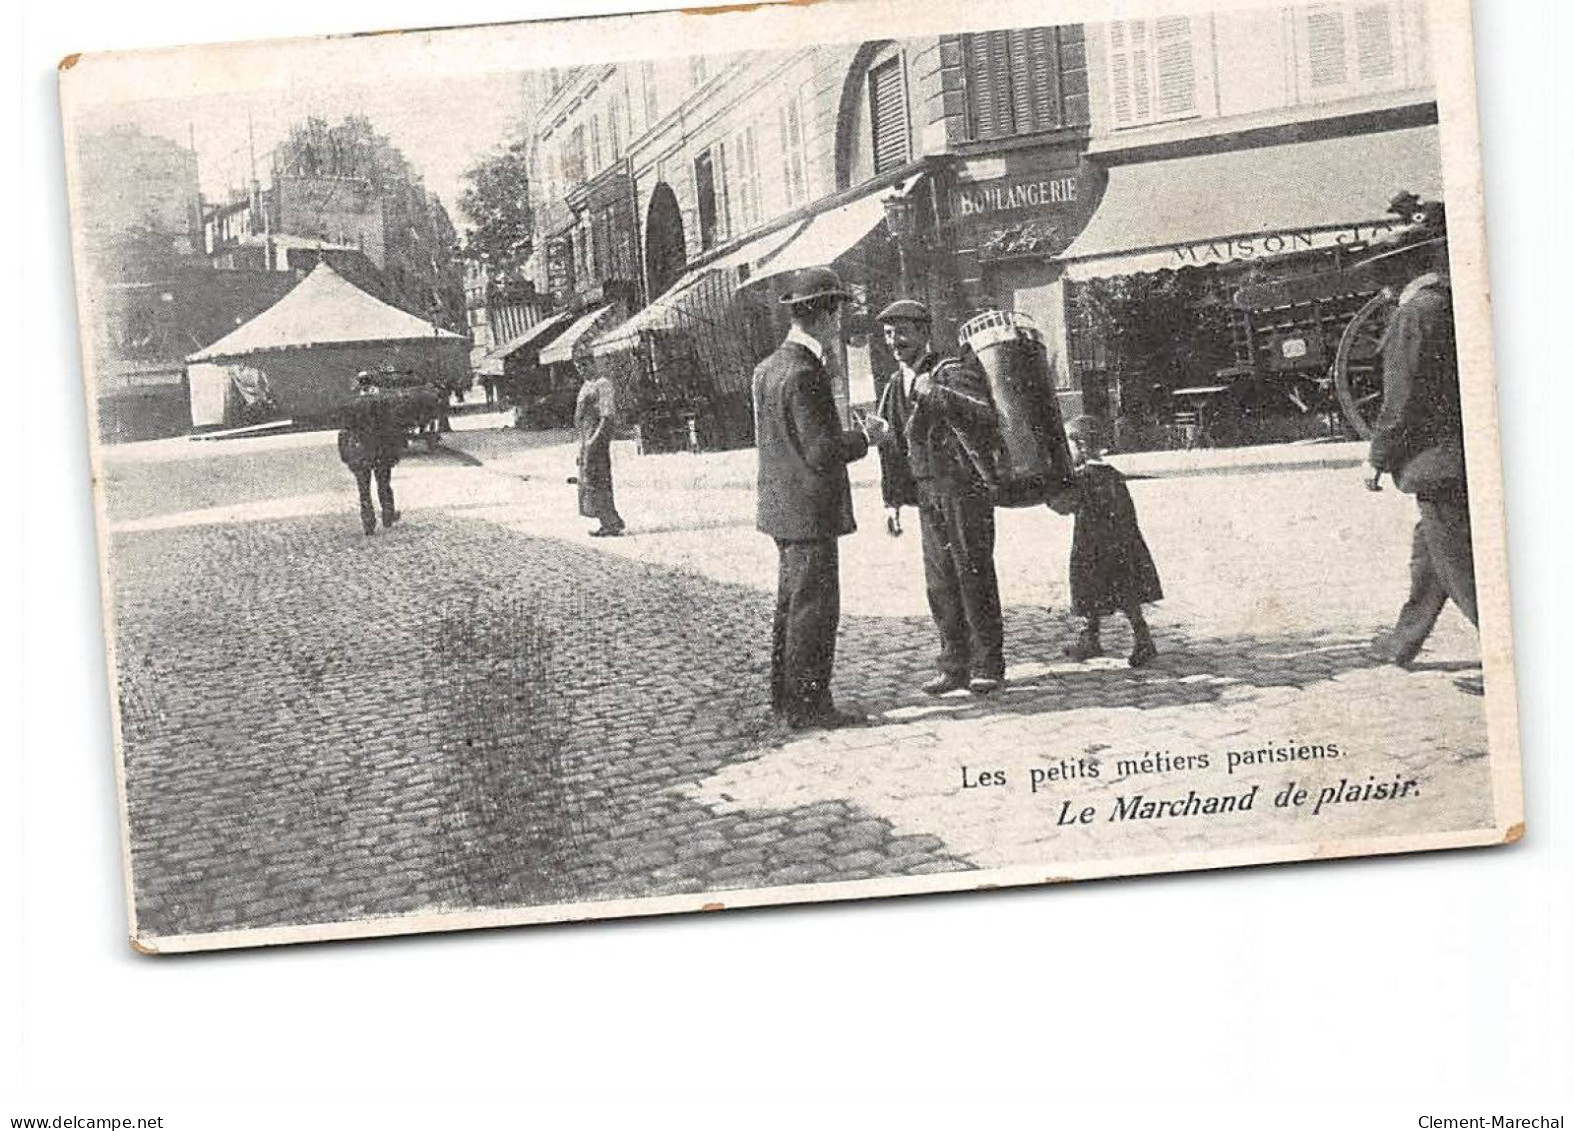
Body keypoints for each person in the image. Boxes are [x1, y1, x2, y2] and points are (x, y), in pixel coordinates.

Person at [753, 266, 889, 730]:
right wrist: (866, 438)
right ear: (827, 316)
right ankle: (811, 706)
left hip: (780, 506)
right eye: (837, 312)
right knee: (814, 609)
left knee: (791, 604)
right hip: (810, 510)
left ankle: (785, 698)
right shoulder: (806, 373)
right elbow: (820, 451)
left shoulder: (768, 368)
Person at [1363, 199, 1476, 665]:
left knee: (1466, 574)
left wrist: (1376, 458)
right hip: (1457, 456)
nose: (1380, 283)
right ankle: (1403, 642)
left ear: (1400, 270)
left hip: (1437, 463)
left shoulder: (1415, 314)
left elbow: (1402, 399)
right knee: (1430, 556)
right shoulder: (1447, 303)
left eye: (1383, 272)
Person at [873, 299, 1006, 695]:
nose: (896, 342)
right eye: (889, 334)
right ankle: (953, 666)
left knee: (973, 573)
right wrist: (891, 502)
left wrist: (934, 393)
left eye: (903, 332)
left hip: (964, 488)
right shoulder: (895, 385)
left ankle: (988, 664)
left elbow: (985, 415)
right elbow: (892, 446)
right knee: (940, 582)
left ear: (924, 333)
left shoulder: (950, 370)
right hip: (927, 493)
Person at [1057, 415, 1161, 668]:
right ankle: (1102, 638)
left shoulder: (1083, 477)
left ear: (1080, 445)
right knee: (1123, 592)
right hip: (1122, 543)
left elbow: (1063, 506)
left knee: (1092, 589)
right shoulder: (1111, 474)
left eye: (1068, 445)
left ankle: (1136, 639)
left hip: (1094, 546)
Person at [336, 370, 404, 536]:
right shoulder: (384, 402)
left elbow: (345, 431)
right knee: (384, 483)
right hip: (381, 450)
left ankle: (368, 521)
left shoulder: (351, 403)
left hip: (361, 452)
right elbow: (393, 427)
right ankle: (388, 514)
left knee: (363, 489)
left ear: (359, 384)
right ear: (373, 383)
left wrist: (346, 455)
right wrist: (395, 451)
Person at [575, 368, 625, 537]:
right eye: (578, 364)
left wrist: (594, 440)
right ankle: (609, 520)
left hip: (596, 438)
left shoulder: (603, 385)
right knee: (590, 480)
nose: (581, 368)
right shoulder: (586, 386)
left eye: (586, 363)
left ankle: (610, 522)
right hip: (586, 437)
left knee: (599, 478)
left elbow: (606, 416)